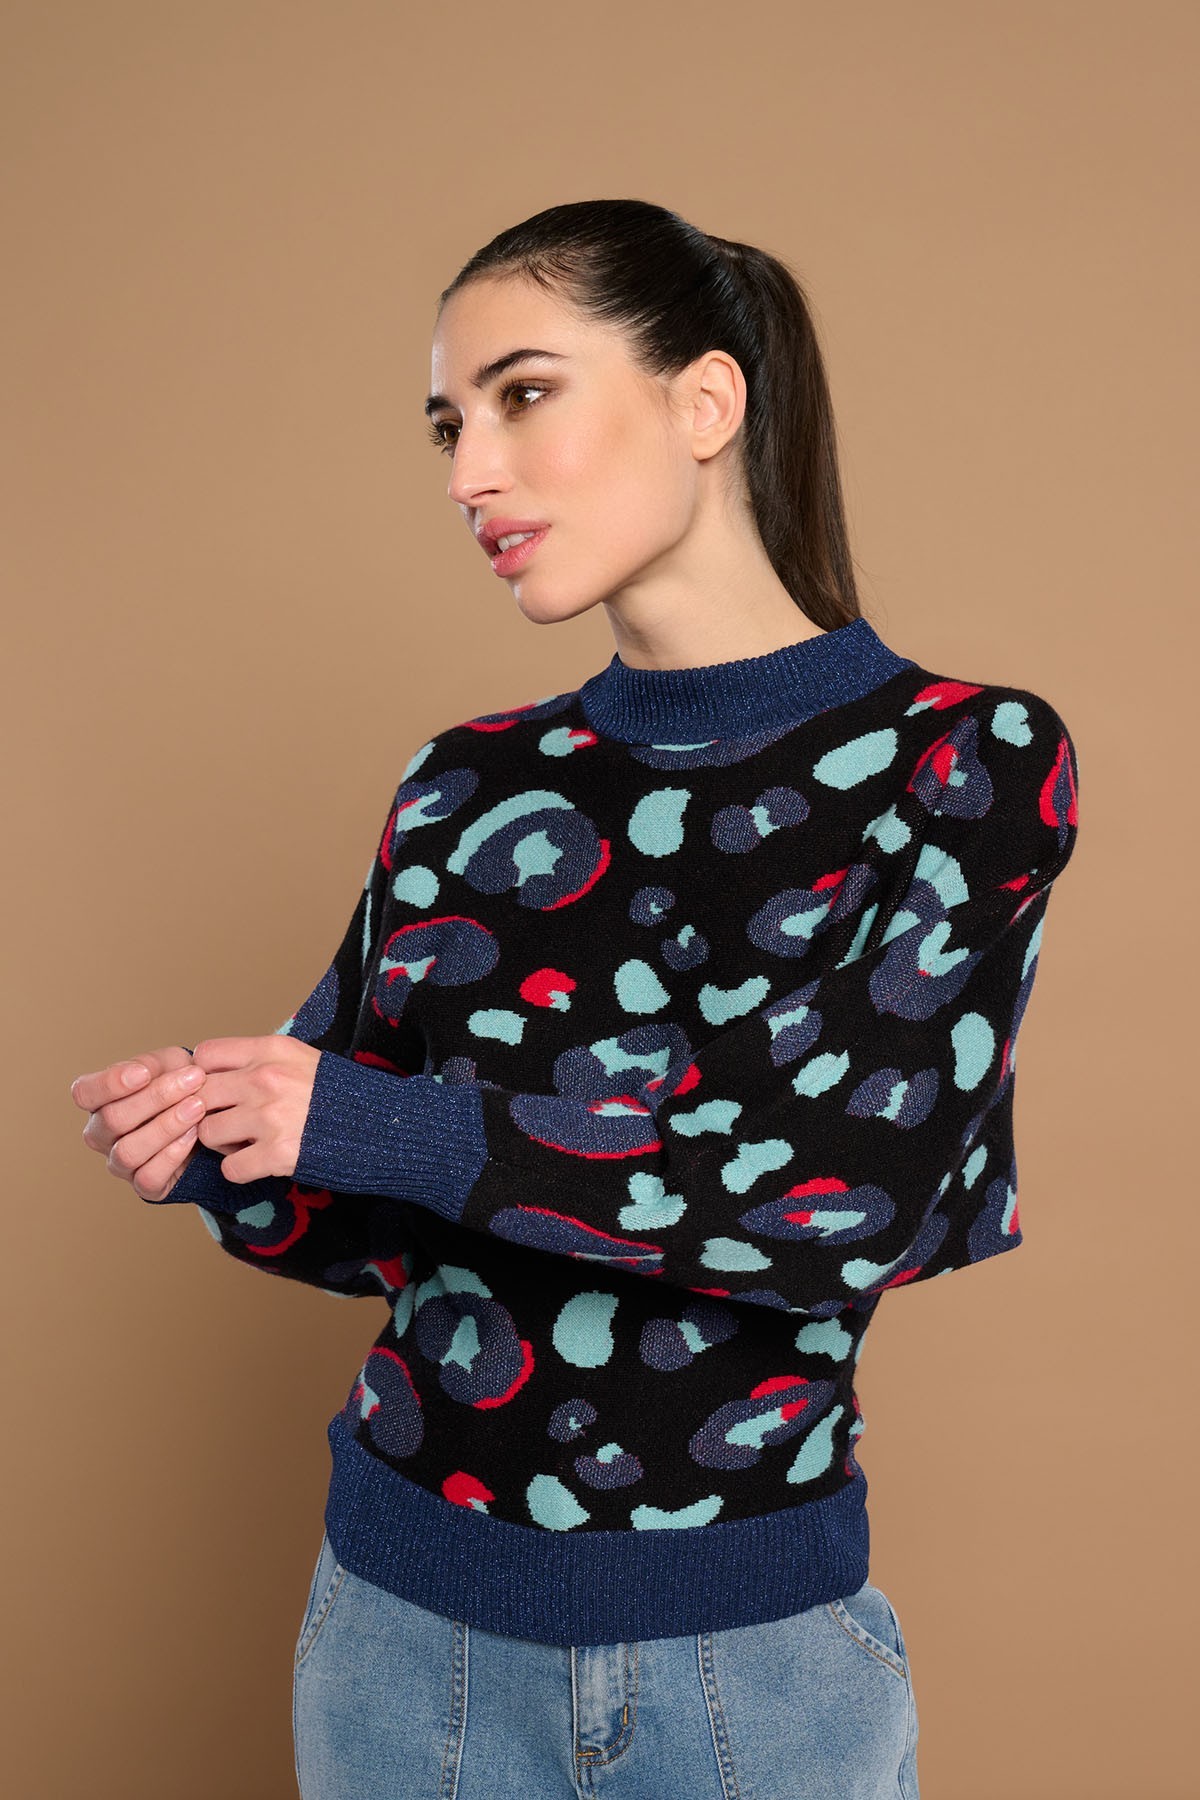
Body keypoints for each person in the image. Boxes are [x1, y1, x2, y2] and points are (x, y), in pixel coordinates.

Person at [71, 198, 1079, 1799]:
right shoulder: (464, 784)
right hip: (401, 1644)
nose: (469, 472)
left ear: (706, 400)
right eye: (448, 427)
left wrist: (370, 1122)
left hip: (750, 1672)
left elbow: (836, 1199)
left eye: (523, 395)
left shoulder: (962, 761)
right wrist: (218, 1146)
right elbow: (372, 1216)